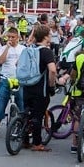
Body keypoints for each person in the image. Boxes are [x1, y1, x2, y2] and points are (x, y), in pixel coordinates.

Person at [22, 24, 57, 152]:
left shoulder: (29, 49)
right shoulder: (46, 52)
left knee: (26, 113)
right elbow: (52, 70)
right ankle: (37, 143)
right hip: (40, 88)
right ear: (46, 37)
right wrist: (51, 85)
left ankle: (24, 140)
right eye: (50, 34)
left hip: (26, 86)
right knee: (37, 115)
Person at [0, 27, 24, 137]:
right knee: (1, 103)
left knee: (21, 104)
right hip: (5, 79)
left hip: (19, 80)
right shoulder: (3, 48)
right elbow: (1, 61)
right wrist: (7, 48)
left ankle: (21, 126)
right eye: (9, 37)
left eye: (13, 37)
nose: (11, 39)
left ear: (18, 38)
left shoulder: (23, 49)